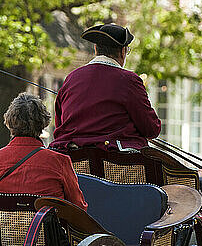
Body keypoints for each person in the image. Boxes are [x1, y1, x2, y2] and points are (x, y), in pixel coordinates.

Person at [50, 23, 161, 152]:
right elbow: (151, 128)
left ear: (96, 49)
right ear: (123, 51)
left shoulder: (71, 77)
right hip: (118, 163)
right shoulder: (129, 80)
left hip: (73, 159)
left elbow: (60, 123)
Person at [0, 93, 87, 210]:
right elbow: (79, 208)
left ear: (10, 121)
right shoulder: (59, 162)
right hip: (43, 228)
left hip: (2, 228)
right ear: (43, 123)